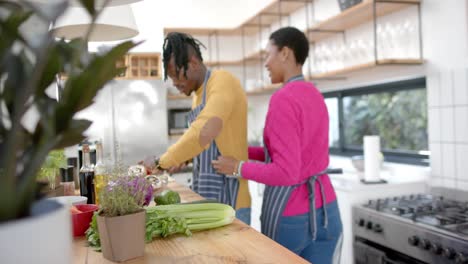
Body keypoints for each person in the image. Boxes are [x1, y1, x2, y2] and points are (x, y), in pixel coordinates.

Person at [212, 27, 343, 263]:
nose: (266, 63)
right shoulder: (315, 94)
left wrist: (238, 167)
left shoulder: (284, 98)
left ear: (285, 54)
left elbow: (286, 171)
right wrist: (242, 152)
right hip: (328, 211)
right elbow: (292, 155)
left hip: (293, 218)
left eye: (268, 54)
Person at [141, 32, 251, 224]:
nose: (175, 83)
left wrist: (162, 161)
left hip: (232, 200)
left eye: (176, 75)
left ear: (192, 64)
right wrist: (186, 157)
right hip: (207, 194)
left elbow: (205, 131)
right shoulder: (197, 96)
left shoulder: (222, 81)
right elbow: (208, 142)